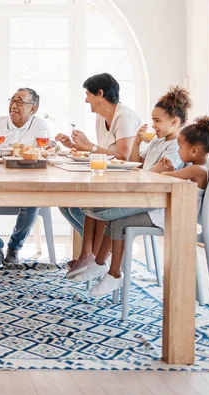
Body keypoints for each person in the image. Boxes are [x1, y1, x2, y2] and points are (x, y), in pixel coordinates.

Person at [80, 116, 209, 297]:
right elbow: (173, 176)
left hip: (172, 217)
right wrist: (168, 170)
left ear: (194, 150)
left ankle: (113, 274)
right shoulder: (196, 167)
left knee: (118, 222)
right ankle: (100, 265)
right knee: (114, 219)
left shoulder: (197, 169)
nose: (178, 151)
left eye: (180, 147)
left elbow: (167, 179)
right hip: (169, 213)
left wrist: (164, 171)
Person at [66, 86, 191, 279]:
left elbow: (159, 174)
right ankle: (97, 261)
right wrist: (137, 143)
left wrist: (153, 169)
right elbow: (137, 164)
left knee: (101, 210)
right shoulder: (158, 142)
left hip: (154, 204)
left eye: (157, 121)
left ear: (174, 122)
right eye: (153, 120)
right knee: (92, 207)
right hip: (143, 195)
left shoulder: (176, 146)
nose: (153, 125)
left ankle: (99, 262)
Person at [55, 73, 140, 269]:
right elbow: (103, 154)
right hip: (108, 177)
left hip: (126, 182)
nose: (86, 100)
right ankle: (95, 251)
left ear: (100, 93)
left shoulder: (124, 116)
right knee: (66, 203)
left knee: (85, 204)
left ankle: (94, 254)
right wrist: (75, 147)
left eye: (88, 94)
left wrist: (89, 146)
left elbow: (122, 156)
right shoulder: (101, 118)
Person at [0, 88, 53, 268]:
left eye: (19, 102)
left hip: (27, 182)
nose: (13, 106)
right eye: (12, 101)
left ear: (33, 109)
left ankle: (14, 248)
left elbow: (49, 148)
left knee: (33, 201)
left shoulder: (39, 126)